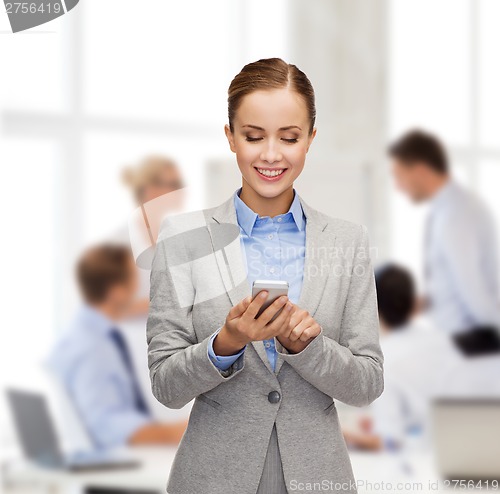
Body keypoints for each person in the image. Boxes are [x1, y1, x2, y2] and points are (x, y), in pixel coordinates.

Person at [147, 58, 384, 494]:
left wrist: (308, 348)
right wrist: (225, 345)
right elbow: (165, 383)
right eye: (253, 136)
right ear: (230, 138)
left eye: (289, 138)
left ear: (311, 139)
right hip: (212, 477)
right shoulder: (183, 239)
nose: (271, 154)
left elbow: (367, 383)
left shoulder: (347, 241)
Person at [46, 244, 188, 449]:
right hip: (113, 470)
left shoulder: (86, 335)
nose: (139, 286)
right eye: (133, 279)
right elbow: (108, 426)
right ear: (116, 292)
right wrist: (180, 431)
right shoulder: (93, 346)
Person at [388, 129, 500, 353]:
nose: (398, 186)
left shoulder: (455, 215)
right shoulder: (451, 209)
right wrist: (428, 301)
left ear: (419, 171)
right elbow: (459, 279)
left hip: (470, 346)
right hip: (463, 342)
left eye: (399, 176)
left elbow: (474, 289)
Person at [344, 264, 457, 452]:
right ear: (414, 302)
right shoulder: (442, 342)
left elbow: (390, 442)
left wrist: (346, 437)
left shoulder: (383, 360)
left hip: (419, 466)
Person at [113, 155, 185, 318]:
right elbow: (113, 309)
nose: (181, 191)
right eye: (174, 185)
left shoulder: (173, 235)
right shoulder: (121, 242)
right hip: (130, 336)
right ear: (149, 190)